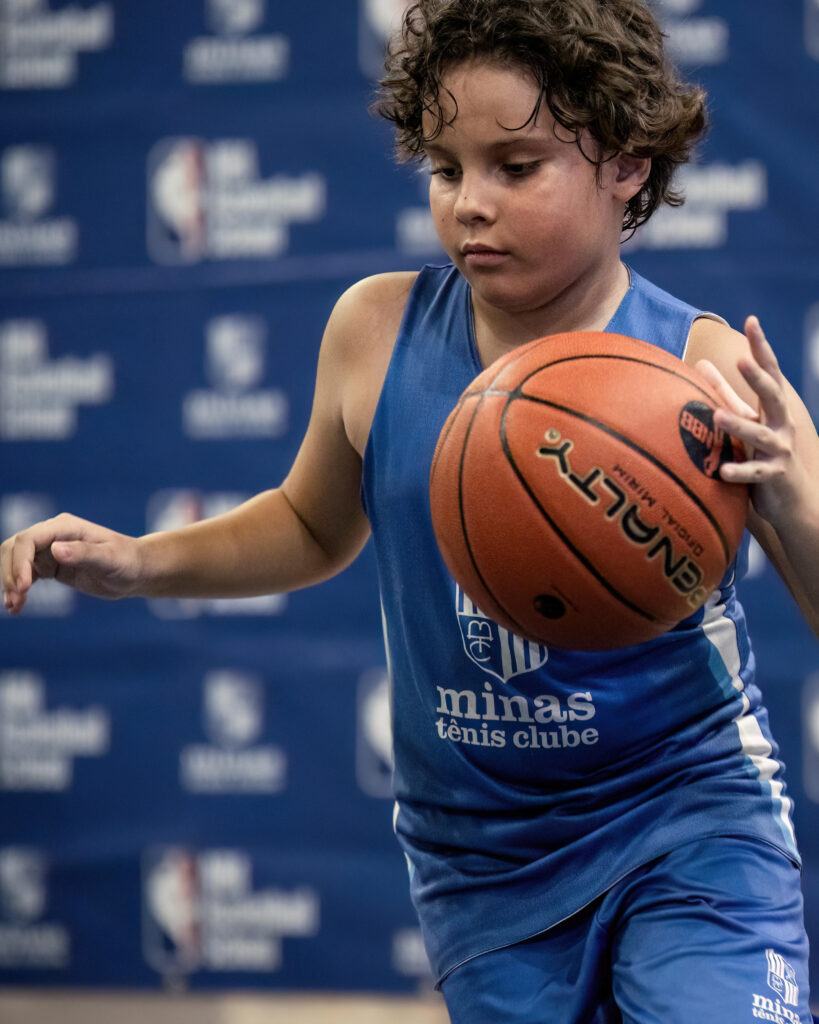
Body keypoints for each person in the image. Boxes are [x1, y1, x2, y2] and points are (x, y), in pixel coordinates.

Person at [3, 1, 818, 1019]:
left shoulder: (708, 373)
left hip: (687, 820)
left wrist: (789, 500)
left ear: (628, 166)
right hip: (484, 858)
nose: (469, 203)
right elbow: (310, 526)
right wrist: (140, 561)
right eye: (446, 167)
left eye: (516, 167)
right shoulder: (375, 330)